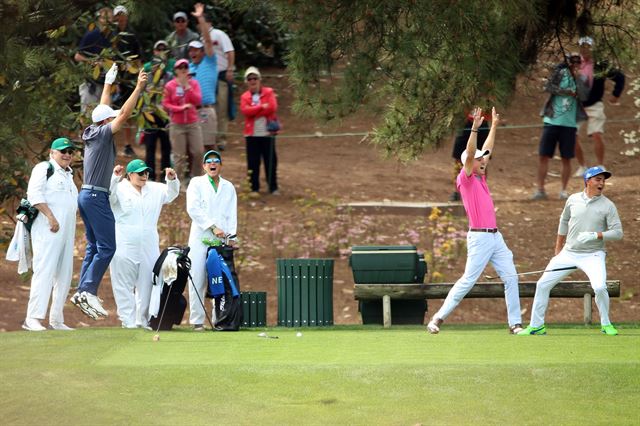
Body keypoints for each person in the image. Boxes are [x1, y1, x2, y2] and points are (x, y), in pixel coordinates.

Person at [427, 107, 523, 335]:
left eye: (484, 159)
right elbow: (471, 154)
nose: (484, 161)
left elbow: (486, 149)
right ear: (469, 164)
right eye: (479, 159)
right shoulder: (467, 178)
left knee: (511, 278)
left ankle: (515, 324)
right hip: (479, 237)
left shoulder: (481, 176)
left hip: (495, 237)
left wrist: (495, 127)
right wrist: (474, 129)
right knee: (468, 280)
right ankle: (438, 318)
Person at [71, 64, 148, 320]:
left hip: (86, 195)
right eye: (110, 119)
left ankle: (83, 290)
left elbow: (102, 111)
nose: (113, 120)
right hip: (96, 197)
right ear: (106, 122)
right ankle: (88, 290)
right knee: (107, 247)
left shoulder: (93, 130)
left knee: (94, 247)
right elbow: (123, 113)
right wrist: (138, 87)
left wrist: (107, 83)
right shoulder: (103, 133)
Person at [519, 166, 623, 336]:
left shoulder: (608, 206)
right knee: (542, 284)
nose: (602, 183)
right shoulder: (573, 199)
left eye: (603, 180)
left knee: (599, 287)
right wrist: (558, 249)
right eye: (598, 179)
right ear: (587, 181)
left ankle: (606, 324)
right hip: (569, 253)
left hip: (593, 254)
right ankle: (537, 325)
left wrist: (596, 235)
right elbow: (564, 221)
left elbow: (618, 233)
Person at [109, 159, 180, 329]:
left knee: (148, 281)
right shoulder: (120, 188)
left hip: (149, 241)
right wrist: (114, 178)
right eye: (140, 173)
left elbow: (171, 194)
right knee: (123, 282)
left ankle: (143, 319)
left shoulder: (154, 188)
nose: (144, 176)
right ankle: (128, 320)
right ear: (130, 175)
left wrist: (172, 180)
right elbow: (109, 197)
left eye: (146, 172)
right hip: (124, 240)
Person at [22, 138, 79, 331]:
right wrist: (51, 218)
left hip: (67, 232)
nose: (67, 155)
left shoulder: (69, 175)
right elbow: (34, 194)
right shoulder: (44, 168)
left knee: (64, 274)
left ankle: (56, 319)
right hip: (48, 229)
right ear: (52, 153)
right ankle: (32, 318)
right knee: (44, 271)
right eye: (63, 151)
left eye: (70, 152)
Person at [186, 150, 237, 331]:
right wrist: (212, 226)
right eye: (208, 161)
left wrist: (232, 236)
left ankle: (220, 320)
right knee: (198, 277)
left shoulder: (228, 186)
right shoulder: (196, 183)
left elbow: (231, 214)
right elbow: (193, 208)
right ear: (204, 166)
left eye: (216, 161)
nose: (212, 164)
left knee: (219, 280)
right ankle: (197, 321)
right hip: (201, 238)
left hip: (221, 239)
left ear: (220, 165)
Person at [532, 53, 588, 200]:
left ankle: (563, 190)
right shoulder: (559, 73)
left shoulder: (581, 78)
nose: (574, 65)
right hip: (552, 121)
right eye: (572, 62)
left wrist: (577, 81)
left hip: (569, 124)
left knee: (566, 158)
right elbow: (549, 87)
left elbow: (584, 95)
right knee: (544, 156)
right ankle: (540, 189)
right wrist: (566, 91)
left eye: (578, 63)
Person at [573, 36, 625, 176]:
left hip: (595, 104)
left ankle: (600, 165)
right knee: (572, 135)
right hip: (577, 105)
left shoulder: (600, 64)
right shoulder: (574, 63)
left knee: (596, 134)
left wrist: (616, 94)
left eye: (588, 46)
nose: (585, 49)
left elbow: (619, 77)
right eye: (582, 46)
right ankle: (582, 166)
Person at [240, 66, 279, 195]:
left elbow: (272, 107)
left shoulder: (268, 92)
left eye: (255, 78)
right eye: (250, 78)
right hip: (252, 135)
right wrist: (262, 107)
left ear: (259, 79)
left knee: (271, 161)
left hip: (267, 133)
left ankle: (273, 187)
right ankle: (254, 188)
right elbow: (245, 111)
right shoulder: (245, 96)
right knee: (253, 162)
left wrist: (254, 110)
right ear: (247, 81)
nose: (252, 81)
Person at [162, 58, 203, 180]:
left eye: (186, 67)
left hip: (193, 123)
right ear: (176, 70)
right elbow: (165, 104)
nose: (184, 70)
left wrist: (188, 87)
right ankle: (177, 182)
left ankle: (196, 179)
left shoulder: (194, 83)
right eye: (181, 67)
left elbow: (198, 100)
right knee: (179, 156)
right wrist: (180, 108)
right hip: (177, 124)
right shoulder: (170, 85)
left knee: (198, 152)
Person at [112, 5, 143, 158]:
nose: (121, 18)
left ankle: (128, 144)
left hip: (128, 80)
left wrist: (137, 77)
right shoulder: (110, 35)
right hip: (111, 79)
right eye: (118, 15)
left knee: (128, 112)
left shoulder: (131, 35)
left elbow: (138, 58)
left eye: (123, 15)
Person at [142, 40, 175, 181]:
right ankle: (149, 176)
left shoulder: (170, 76)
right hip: (149, 114)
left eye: (164, 49)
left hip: (165, 115)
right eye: (158, 49)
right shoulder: (146, 74)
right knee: (150, 147)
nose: (161, 52)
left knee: (166, 147)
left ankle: (164, 177)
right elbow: (140, 94)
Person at [189, 3, 219, 153]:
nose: (193, 53)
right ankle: (192, 175)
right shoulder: (187, 67)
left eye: (196, 50)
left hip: (206, 110)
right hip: (190, 111)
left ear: (202, 52)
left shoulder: (209, 61)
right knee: (193, 147)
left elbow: (207, 40)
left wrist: (200, 18)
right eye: (191, 50)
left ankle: (214, 175)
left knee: (209, 146)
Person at [74, 7, 113, 114]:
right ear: (99, 19)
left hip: (104, 83)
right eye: (104, 18)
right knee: (88, 117)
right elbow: (77, 56)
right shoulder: (92, 35)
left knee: (105, 119)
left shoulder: (112, 38)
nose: (107, 21)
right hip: (89, 83)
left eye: (109, 18)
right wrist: (92, 61)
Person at [208, 18, 235, 150]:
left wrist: (230, 68)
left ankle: (221, 139)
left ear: (209, 22)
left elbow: (230, 51)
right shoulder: (200, 38)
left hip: (221, 75)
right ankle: (210, 138)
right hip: (208, 78)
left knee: (222, 108)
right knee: (209, 109)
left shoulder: (219, 34)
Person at [449, 111, 490, 201]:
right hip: (465, 122)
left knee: (482, 158)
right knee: (459, 158)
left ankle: (481, 189)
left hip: (482, 122)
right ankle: (458, 191)